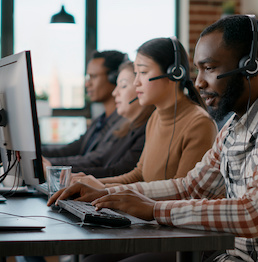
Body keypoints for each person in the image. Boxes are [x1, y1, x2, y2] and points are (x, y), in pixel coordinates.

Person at [48, 15, 258, 261]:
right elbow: (190, 187)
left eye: (209, 68)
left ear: (250, 66)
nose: (199, 82)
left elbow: (254, 215)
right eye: (197, 70)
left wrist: (154, 209)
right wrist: (108, 193)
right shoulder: (232, 128)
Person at [71, 37, 217, 188]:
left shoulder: (199, 124)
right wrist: (91, 184)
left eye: (143, 72)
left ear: (174, 73)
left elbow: (182, 192)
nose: (136, 82)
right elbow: (139, 175)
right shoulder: (155, 118)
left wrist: (104, 190)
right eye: (136, 73)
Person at [42, 50, 128, 172]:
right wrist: (32, 154)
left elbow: (95, 160)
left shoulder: (125, 123)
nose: (87, 84)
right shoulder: (99, 121)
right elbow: (68, 150)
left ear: (114, 77)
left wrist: (49, 164)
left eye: (93, 76)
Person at [69, 60, 155, 180]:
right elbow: (102, 162)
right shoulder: (124, 128)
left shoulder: (147, 129)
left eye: (123, 86)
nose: (115, 93)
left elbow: (117, 171)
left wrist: (63, 173)